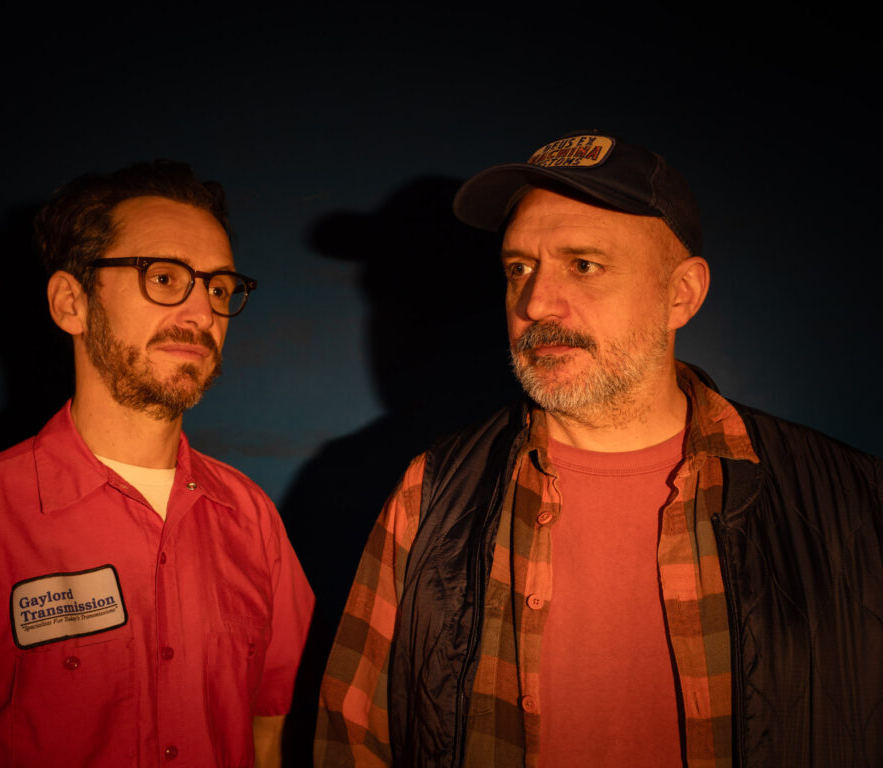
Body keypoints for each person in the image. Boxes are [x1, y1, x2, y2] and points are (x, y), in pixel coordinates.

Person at [314, 131, 882, 767]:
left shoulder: (854, 501)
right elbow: (350, 741)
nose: (535, 303)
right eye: (519, 268)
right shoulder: (433, 492)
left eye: (584, 265)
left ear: (681, 294)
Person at [0, 161, 314, 767]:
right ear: (70, 303)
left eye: (218, 288)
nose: (202, 314)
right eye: (163, 277)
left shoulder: (253, 520)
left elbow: (269, 727)